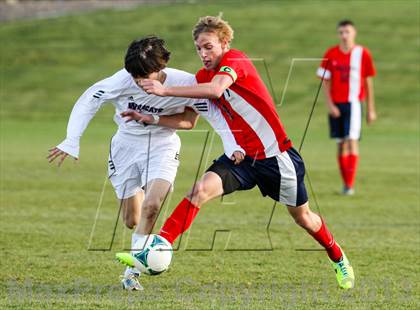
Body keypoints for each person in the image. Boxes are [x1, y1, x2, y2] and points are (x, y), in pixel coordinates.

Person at [116, 16, 355, 289]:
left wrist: (164, 89)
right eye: (198, 48)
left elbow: (217, 89)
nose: (203, 54)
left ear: (224, 43)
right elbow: (189, 120)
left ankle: (338, 258)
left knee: (304, 218)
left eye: (209, 47)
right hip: (240, 159)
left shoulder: (236, 61)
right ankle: (159, 245)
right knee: (199, 191)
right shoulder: (202, 78)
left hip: (276, 159)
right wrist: (151, 119)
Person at [47, 36, 242, 291]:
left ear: (161, 68)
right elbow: (89, 99)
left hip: (163, 147)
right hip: (125, 147)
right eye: (135, 76)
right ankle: (139, 232)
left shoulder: (184, 83)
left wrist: (231, 145)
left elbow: (211, 113)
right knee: (131, 220)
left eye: (144, 76)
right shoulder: (122, 80)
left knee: (152, 206)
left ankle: (132, 271)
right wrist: (72, 140)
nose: (138, 82)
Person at [317, 20, 376, 195]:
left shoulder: (362, 53)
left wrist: (371, 108)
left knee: (352, 141)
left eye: (347, 32)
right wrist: (330, 105)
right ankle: (345, 184)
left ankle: (349, 185)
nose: (344, 35)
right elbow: (324, 81)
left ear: (354, 33)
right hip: (336, 104)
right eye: (341, 32)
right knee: (341, 143)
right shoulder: (331, 53)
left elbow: (368, 81)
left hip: (354, 103)